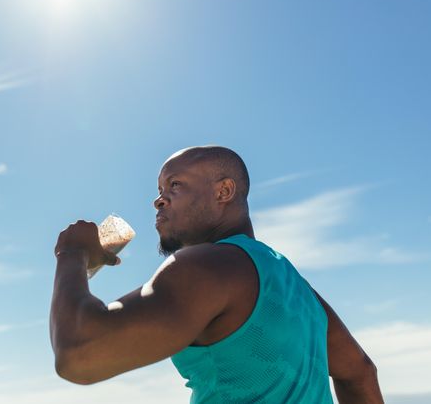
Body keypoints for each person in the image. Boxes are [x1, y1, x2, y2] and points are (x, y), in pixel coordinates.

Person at [50, 145, 384, 403]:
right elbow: (360, 373)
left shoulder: (205, 266)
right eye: (159, 190)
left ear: (224, 192)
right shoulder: (296, 288)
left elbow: (79, 354)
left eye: (174, 186)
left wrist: (72, 253)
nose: (158, 201)